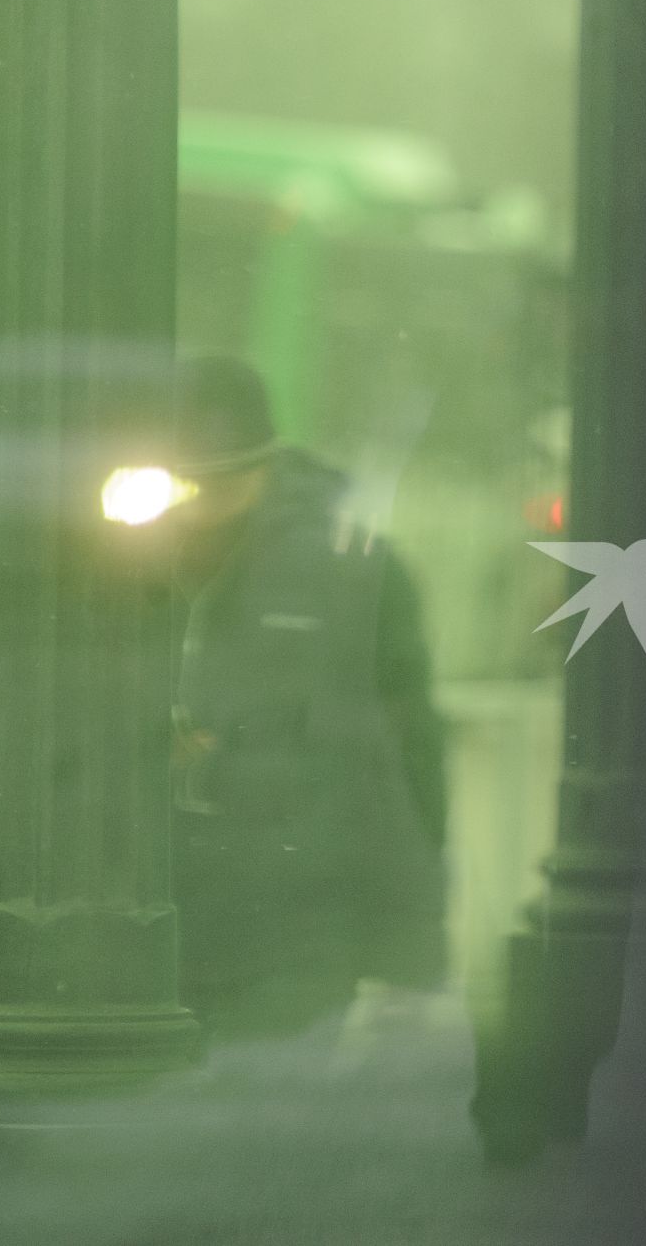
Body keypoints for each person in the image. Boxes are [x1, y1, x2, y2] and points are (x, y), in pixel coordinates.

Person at [165, 355, 448, 1040]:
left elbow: (409, 758)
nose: (201, 497)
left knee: (262, 1124)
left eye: (219, 478)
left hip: (296, 932)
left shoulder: (352, 572)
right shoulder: (124, 558)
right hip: (159, 928)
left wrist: (412, 950)